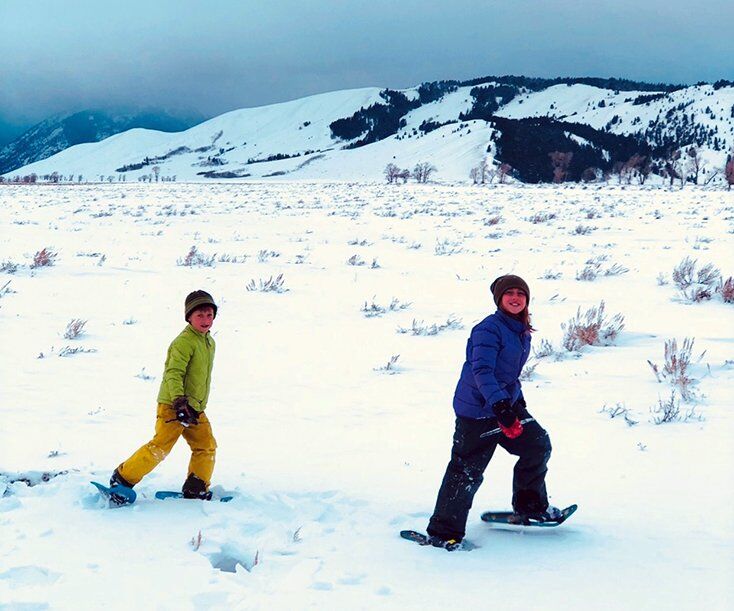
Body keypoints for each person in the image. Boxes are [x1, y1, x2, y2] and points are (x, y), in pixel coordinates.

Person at [425, 274, 560, 549]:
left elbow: (508, 373)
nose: (515, 298)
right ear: (499, 299)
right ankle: (443, 532)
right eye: (509, 293)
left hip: (504, 405)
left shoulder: (519, 329)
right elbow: (482, 371)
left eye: (520, 293)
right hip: (477, 410)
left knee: (537, 444)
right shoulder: (488, 329)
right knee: (466, 470)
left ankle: (530, 507)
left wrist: (516, 401)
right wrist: (500, 405)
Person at [108, 290, 219, 503]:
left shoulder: (208, 342)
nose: (205, 320)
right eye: (200, 315)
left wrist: (194, 404)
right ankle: (122, 478)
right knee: (160, 446)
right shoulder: (183, 342)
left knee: (206, 445)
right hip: (174, 406)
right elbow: (173, 373)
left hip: (195, 408)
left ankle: (196, 486)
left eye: (209, 315)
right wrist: (179, 401)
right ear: (189, 317)